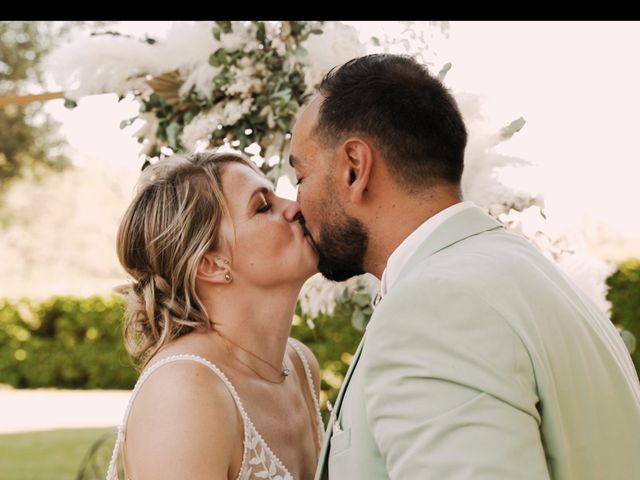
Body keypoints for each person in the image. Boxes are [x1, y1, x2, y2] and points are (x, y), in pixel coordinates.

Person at [289, 53, 640, 479]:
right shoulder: (525, 273)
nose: (295, 204)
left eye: (301, 177)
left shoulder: (433, 309)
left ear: (354, 169)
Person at [106, 151, 323, 480]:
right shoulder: (183, 393)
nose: (295, 207)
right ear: (211, 263)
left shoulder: (300, 365)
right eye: (263, 206)